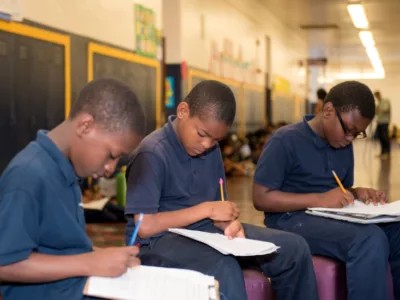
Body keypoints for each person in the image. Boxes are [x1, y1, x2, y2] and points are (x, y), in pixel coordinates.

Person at [125, 80, 318, 300]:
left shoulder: (210, 149)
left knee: (295, 248)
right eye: (202, 134)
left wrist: (228, 224)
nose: (207, 144)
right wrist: (206, 210)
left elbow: (217, 210)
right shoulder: (152, 153)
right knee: (224, 266)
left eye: (215, 139)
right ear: (183, 111)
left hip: (206, 232)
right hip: (157, 242)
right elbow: (145, 227)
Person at [0, 78, 146, 300]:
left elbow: (58, 248)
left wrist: (104, 257)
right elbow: (5, 264)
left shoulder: (68, 171)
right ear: (85, 126)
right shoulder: (28, 175)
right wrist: (88, 262)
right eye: (112, 155)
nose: (110, 169)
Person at [253, 81, 400, 300]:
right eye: (349, 130)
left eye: (357, 134)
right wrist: (320, 199)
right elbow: (260, 197)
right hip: (290, 219)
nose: (350, 139)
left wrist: (357, 192)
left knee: (396, 231)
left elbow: (340, 188)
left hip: (329, 215)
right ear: (328, 110)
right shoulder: (285, 140)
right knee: (369, 239)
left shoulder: (343, 144)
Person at [374, 91, 391, 160]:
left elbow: (385, 109)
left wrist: (379, 109)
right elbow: (376, 112)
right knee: (380, 137)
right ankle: (383, 152)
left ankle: (387, 153)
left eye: (376, 96)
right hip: (379, 122)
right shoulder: (379, 103)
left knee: (385, 137)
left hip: (385, 122)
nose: (376, 97)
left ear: (379, 95)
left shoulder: (385, 101)